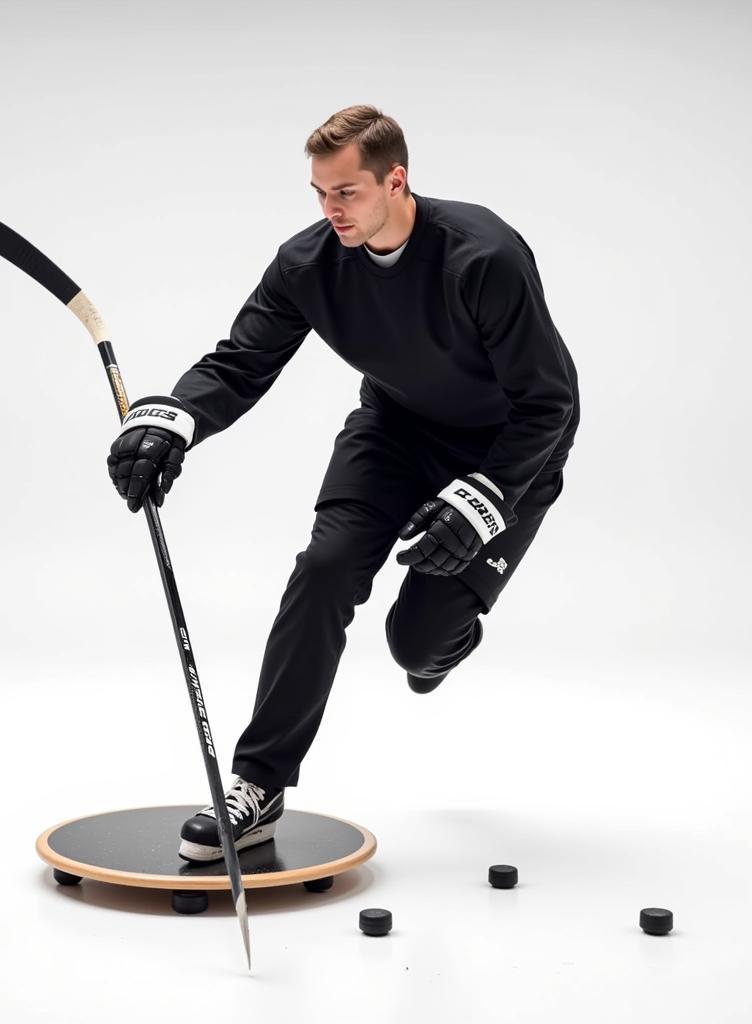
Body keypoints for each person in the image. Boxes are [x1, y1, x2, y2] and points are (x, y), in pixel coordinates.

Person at [107, 104, 580, 863]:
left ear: (397, 180)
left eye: (348, 192)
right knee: (324, 569)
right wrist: (171, 419)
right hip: (394, 433)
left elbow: (549, 400)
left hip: (508, 450)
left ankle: (435, 650)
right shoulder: (308, 263)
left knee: (415, 642)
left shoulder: (482, 255)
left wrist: (489, 495)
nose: (332, 210)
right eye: (320, 193)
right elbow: (240, 361)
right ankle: (258, 785)